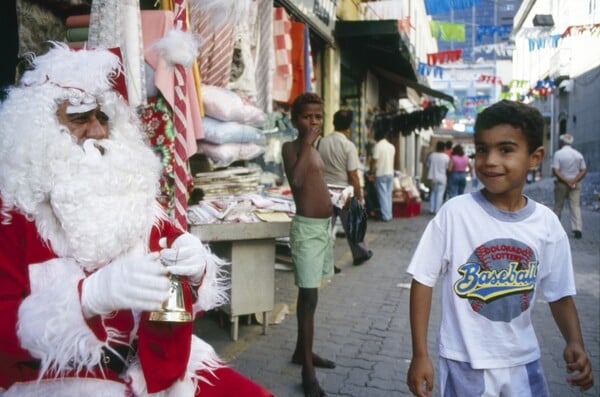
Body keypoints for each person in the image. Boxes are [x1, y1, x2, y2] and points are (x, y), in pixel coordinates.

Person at [0, 44, 273, 397]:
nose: (98, 132)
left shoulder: (131, 194)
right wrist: (87, 298)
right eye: (80, 118)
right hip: (59, 381)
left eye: (104, 118)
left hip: (155, 368)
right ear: (34, 131)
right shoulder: (11, 214)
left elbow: (174, 291)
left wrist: (194, 267)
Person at [406, 100, 594, 397]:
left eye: (505, 150)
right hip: (464, 363)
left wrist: (575, 342)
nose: (490, 160)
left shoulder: (546, 225)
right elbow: (422, 279)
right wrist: (420, 354)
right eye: (482, 149)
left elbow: (559, 294)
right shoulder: (455, 214)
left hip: (523, 362)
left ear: (535, 158)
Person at [282, 92, 336, 397]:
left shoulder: (313, 150)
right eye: (307, 117)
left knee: (311, 298)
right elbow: (299, 182)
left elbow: (316, 183)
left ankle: (302, 352)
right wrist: (307, 142)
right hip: (306, 232)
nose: (313, 122)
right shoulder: (292, 148)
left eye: (318, 116)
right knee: (307, 300)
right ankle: (307, 371)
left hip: (322, 229)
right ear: (294, 120)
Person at [317, 109, 372, 271]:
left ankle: (325, 263)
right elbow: (353, 174)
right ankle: (360, 254)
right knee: (353, 224)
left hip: (324, 190)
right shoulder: (348, 146)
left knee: (325, 230)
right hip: (343, 192)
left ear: (333, 123)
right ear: (349, 126)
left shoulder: (321, 142)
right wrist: (360, 197)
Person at [552, 133, 587, 239]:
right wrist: (574, 180)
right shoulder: (578, 154)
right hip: (575, 183)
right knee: (575, 206)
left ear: (562, 142)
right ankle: (577, 229)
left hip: (562, 183)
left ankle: (554, 228)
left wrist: (566, 180)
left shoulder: (558, 154)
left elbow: (556, 170)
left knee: (558, 205)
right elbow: (584, 169)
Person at [369, 125, 396, 222]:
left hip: (381, 173)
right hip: (390, 173)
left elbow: (375, 161)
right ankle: (389, 214)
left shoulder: (378, 146)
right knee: (388, 195)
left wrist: (371, 172)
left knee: (382, 195)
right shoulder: (391, 146)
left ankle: (386, 216)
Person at [426, 141, 450, 214]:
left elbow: (427, 165)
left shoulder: (432, 155)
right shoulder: (446, 157)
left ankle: (431, 209)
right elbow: (447, 168)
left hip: (433, 176)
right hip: (442, 177)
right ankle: (437, 210)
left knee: (433, 192)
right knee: (440, 193)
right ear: (444, 148)